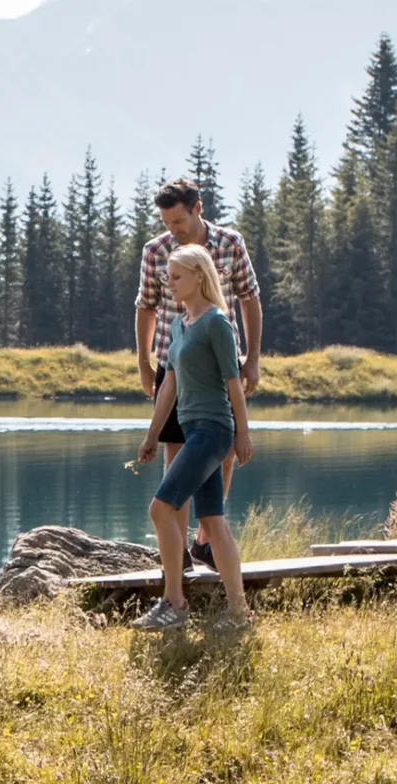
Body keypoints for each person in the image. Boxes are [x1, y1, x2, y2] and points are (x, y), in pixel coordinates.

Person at [134, 178, 263, 569]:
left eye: (179, 221)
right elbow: (146, 306)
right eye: (167, 222)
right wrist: (143, 362)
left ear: (198, 209)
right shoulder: (156, 251)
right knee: (177, 458)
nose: (173, 230)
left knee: (220, 453)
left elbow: (249, 297)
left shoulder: (230, 244)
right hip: (172, 366)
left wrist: (252, 357)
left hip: (219, 367)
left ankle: (206, 540)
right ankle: (180, 556)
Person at [132, 245, 255, 631]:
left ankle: (175, 602)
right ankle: (239, 613)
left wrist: (243, 434)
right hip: (191, 430)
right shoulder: (180, 325)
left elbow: (233, 384)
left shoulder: (217, 323)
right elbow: (168, 382)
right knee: (214, 524)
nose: (170, 284)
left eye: (176, 277)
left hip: (213, 431)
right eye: (168, 277)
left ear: (199, 276)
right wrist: (152, 434)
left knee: (160, 508)